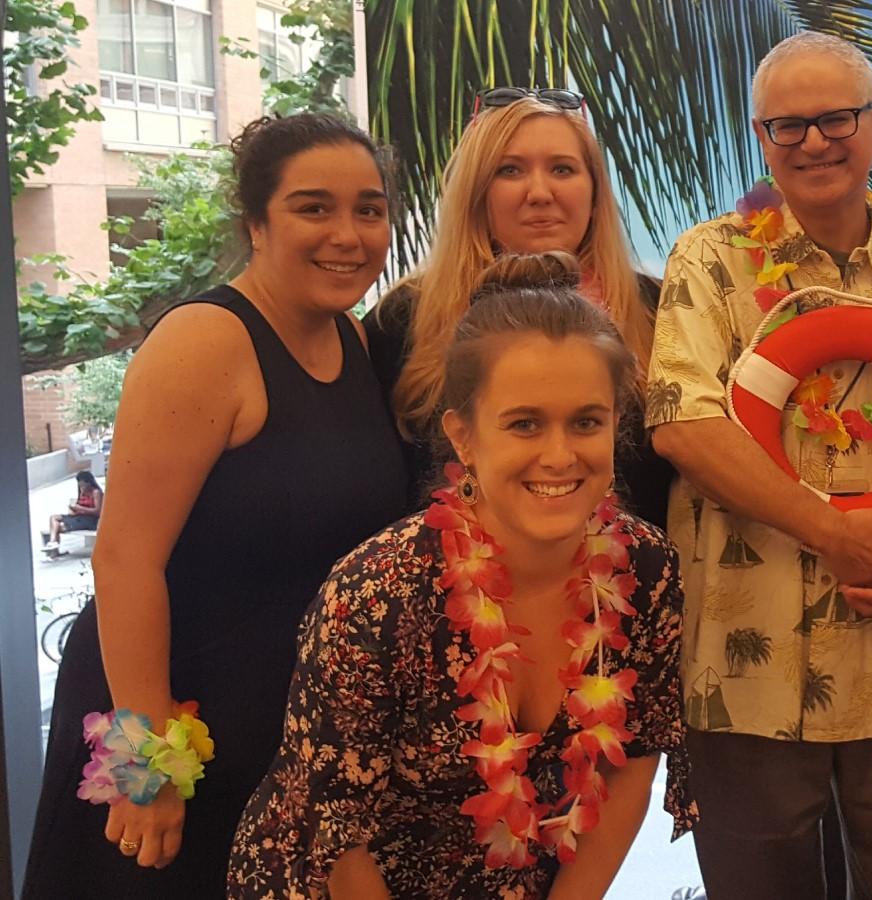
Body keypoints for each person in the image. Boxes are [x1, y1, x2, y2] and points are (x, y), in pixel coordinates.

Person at [22, 113, 409, 898]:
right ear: (256, 222)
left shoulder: (355, 342)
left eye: (369, 209)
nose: (348, 233)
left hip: (284, 748)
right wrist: (150, 766)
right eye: (314, 207)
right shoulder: (206, 339)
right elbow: (125, 559)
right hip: (175, 742)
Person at [229, 253, 690, 898]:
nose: (560, 455)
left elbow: (629, 772)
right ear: (464, 437)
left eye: (587, 421)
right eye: (524, 423)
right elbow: (335, 841)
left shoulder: (647, 570)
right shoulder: (377, 594)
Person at [646, 31, 872, 899]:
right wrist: (830, 530)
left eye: (836, 119)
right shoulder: (709, 261)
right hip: (744, 665)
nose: (815, 142)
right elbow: (682, 424)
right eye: (789, 127)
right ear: (762, 139)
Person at [365, 87, 672, 526]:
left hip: (629, 585)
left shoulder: (659, 310)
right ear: (477, 191)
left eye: (563, 169)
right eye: (509, 170)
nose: (540, 192)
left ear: (595, 190)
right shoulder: (403, 318)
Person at [42, 470, 105, 558]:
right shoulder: (82, 492)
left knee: (58, 527)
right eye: (80, 484)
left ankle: (53, 552)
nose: (81, 487)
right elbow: (78, 507)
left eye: (83, 484)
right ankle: (53, 542)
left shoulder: (96, 492)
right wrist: (73, 509)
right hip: (78, 517)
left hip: (90, 520)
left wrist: (80, 508)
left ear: (89, 482)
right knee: (54, 518)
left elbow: (98, 511)